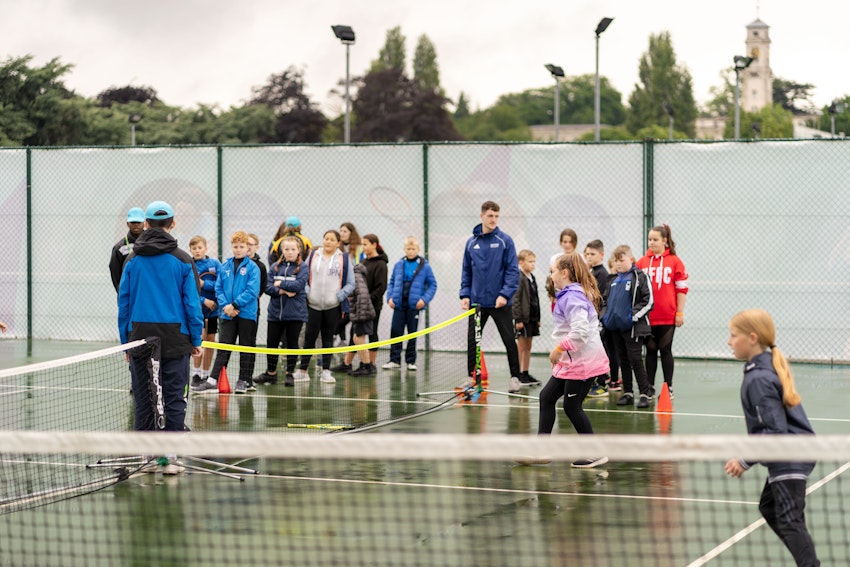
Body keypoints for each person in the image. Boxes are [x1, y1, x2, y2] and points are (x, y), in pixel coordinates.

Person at [725, 309, 819, 567]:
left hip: (790, 455)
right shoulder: (765, 366)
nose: (729, 341)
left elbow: (775, 433)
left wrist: (744, 460)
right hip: (794, 451)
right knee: (769, 506)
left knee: (790, 521)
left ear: (752, 338)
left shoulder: (759, 378)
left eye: (733, 336)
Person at [117, 201, 203, 472]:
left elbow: (124, 304)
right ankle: (172, 458)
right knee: (175, 397)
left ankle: (147, 457)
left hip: (140, 337)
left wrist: (125, 342)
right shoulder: (183, 259)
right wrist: (196, 339)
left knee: (144, 396)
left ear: (146, 223)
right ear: (172, 223)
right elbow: (192, 303)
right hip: (177, 337)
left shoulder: (132, 259)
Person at [538, 252, 609, 469]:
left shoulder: (573, 297)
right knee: (547, 397)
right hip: (572, 360)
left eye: (553, 272)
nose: (551, 276)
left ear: (565, 273)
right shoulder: (569, 294)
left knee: (571, 406)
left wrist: (559, 349)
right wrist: (561, 353)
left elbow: (581, 331)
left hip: (583, 362)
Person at [459, 201, 522, 393]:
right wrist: (465, 294)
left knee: (509, 340)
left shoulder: (505, 241)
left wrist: (504, 294)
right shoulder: (471, 243)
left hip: (500, 303)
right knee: (473, 341)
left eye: (496, 216)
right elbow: (466, 271)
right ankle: (472, 377)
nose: (493, 219)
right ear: (482, 216)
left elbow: (513, 271)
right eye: (490, 216)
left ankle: (515, 378)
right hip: (477, 303)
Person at [192, 231, 261, 394]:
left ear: (247, 248)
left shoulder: (253, 267)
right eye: (235, 246)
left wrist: (235, 304)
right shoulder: (225, 266)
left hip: (246, 314)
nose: (238, 250)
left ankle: (244, 380)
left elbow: (252, 291)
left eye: (242, 246)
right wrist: (226, 306)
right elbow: (218, 288)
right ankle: (213, 380)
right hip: (227, 314)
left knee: (246, 347)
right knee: (223, 347)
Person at [635, 224, 689, 400]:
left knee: (665, 349)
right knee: (650, 351)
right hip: (648, 316)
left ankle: (668, 387)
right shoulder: (642, 262)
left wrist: (679, 313)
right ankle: (649, 387)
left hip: (667, 315)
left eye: (655, 239)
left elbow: (682, 289)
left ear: (665, 241)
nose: (651, 242)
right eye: (650, 239)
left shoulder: (675, 261)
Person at [294, 229, 354, 384]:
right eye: (326, 238)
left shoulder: (344, 259)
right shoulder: (313, 256)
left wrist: (339, 296)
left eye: (332, 239)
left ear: (338, 243)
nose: (328, 242)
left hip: (332, 306)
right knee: (309, 338)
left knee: (328, 339)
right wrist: (307, 291)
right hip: (313, 305)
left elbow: (351, 283)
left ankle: (326, 371)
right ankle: (303, 371)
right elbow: (303, 274)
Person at [601, 245, 654, 408]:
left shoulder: (639, 276)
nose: (618, 264)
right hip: (615, 328)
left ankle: (645, 393)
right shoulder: (613, 281)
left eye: (621, 260)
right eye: (615, 261)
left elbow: (648, 300)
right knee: (623, 360)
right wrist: (604, 317)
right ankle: (628, 393)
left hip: (633, 327)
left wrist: (633, 317)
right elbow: (604, 302)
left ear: (631, 259)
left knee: (636, 360)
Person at [256, 236, 308, 387]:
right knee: (271, 344)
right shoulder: (274, 268)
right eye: (286, 249)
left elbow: (299, 285)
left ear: (299, 250)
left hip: (295, 314)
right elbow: (267, 287)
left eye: (293, 249)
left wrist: (280, 284)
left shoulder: (303, 267)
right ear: (281, 250)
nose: (290, 252)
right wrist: (283, 291)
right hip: (275, 313)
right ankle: (271, 373)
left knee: (292, 344)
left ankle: (289, 373)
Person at [332, 234, 388, 374]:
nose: (363, 247)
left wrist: (368, 300)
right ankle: (347, 363)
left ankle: (370, 365)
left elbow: (381, 287)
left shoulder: (380, 264)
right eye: (362, 244)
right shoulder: (364, 262)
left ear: (374, 244)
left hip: (372, 306)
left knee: (371, 333)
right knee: (355, 333)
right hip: (359, 306)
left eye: (366, 244)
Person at [383, 236, 437, 370]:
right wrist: (390, 297)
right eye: (408, 248)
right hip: (399, 305)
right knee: (396, 331)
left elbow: (432, 285)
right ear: (404, 249)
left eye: (413, 249)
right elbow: (392, 282)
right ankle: (394, 360)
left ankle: (410, 361)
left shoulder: (425, 266)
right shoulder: (398, 264)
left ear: (418, 249)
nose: (411, 251)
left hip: (414, 306)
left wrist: (423, 300)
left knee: (412, 333)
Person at [584, 239, 617, 397]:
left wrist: (599, 318)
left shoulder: (602, 274)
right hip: (592, 318)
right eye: (587, 254)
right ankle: (596, 380)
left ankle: (603, 382)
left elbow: (601, 299)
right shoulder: (592, 272)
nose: (589, 257)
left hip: (599, 319)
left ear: (601, 254)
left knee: (600, 350)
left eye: (593, 254)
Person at [188, 235, 221, 387]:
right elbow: (189, 290)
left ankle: (205, 374)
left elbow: (220, 284)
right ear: (190, 250)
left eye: (200, 248)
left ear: (206, 249)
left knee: (210, 342)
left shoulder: (214, 263)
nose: (197, 251)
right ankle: (195, 373)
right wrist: (204, 301)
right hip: (197, 312)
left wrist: (204, 284)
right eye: (194, 248)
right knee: (199, 340)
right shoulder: (189, 265)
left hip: (213, 311)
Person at [512, 249, 541, 386]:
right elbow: (516, 299)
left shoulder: (532, 277)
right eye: (530, 261)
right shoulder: (519, 277)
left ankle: (525, 372)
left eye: (534, 261)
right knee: (521, 346)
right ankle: (517, 374)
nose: (533, 264)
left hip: (532, 318)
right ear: (521, 262)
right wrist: (518, 319)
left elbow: (535, 299)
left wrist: (538, 317)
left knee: (528, 346)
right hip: (523, 319)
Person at [335, 222, 364, 347]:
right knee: (341, 312)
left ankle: (337, 334)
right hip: (341, 285)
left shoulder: (359, 248)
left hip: (355, 285)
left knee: (349, 314)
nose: (342, 233)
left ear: (351, 233)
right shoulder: (337, 248)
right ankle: (341, 339)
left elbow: (361, 265)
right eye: (340, 231)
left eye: (345, 231)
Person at [347, 262, 377, 375]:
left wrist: (359, 316)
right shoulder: (353, 275)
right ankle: (364, 365)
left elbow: (363, 295)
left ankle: (367, 367)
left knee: (359, 339)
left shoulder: (355, 276)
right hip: (360, 314)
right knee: (356, 338)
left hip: (363, 315)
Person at [109, 207, 146, 292]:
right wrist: (122, 292)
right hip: (129, 292)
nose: (136, 225)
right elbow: (115, 273)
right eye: (133, 222)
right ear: (127, 223)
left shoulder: (151, 243)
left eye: (138, 222)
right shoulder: (119, 248)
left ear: (144, 223)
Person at [247, 233, 268, 341]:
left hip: (252, 308)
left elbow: (263, 286)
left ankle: (249, 359)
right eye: (246, 244)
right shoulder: (233, 263)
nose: (248, 246)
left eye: (251, 244)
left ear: (257, 247)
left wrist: (252, 297)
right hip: (234, 308)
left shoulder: (261, 266)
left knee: (250, 339)